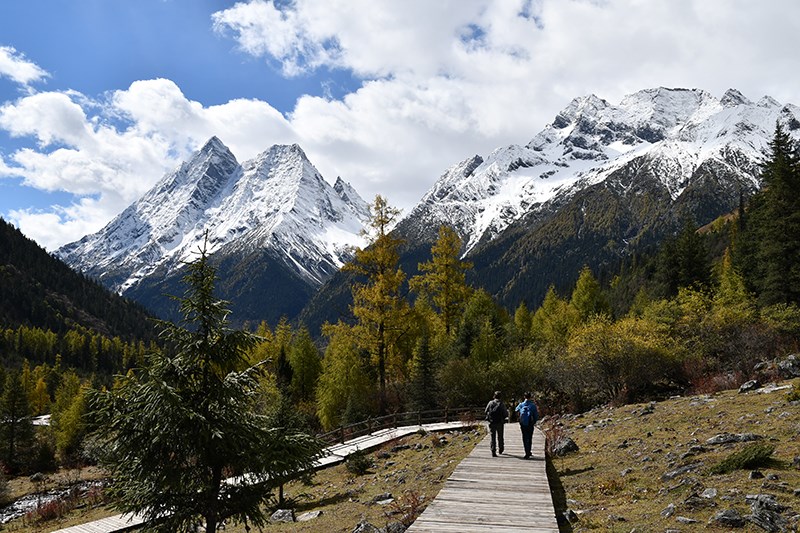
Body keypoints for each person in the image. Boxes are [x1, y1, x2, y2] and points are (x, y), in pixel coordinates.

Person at [515, 391, 539, 459]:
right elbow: (536, 416)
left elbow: (516, 410)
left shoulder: (521, 404)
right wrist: (534, 421)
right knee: (530, 437)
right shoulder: (533, 405)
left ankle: (526, 452)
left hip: (523, 424)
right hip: (530, 423)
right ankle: (529, 451)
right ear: (530, 397)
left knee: (525, 437)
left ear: (524, 397)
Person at [484, 390, 508, 457]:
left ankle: (493, 451)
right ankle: (501, 449)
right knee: (500, 436)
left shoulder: (490, 403)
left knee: (493, 437)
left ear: (494, 396)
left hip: (492, 422)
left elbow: (486, 411)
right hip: (500, 422)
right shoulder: (502, 404)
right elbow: (505, 413)